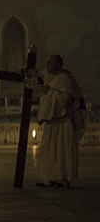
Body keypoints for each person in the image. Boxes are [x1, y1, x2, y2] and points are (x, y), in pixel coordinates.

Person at [32, 54, 85, 188]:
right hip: (51, 121)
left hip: (63, 121)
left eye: (50, 63)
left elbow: (66, 99)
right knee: (48, 151)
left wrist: (49, 92)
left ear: (58, 65)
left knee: (62, 151)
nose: (47, 65)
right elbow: (39, 72)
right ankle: (49, 178)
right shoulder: (50, 76)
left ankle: (63, 179)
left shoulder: (66, 79)